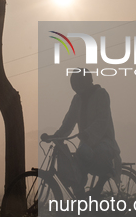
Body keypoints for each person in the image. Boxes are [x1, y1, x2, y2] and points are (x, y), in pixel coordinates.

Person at [41, 69, 122, 197]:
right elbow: (69, 121)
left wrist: (87, 134)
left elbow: (102, 120)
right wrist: (56, 136)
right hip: (86, 144)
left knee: (93, 155)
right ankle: (81, 197)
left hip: (104, 141)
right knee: (74, 168)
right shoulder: (77, 99)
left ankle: (101, 183)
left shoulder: (101, 94)